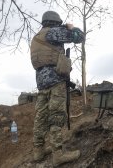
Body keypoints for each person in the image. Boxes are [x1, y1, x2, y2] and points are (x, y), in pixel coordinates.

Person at [30, 10, 84, 166]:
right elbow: (79, 37)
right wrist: (71, 27)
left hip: (41, 82)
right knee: (56, 115)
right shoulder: (53, 32)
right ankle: (58, 154)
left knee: (41, 115)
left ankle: (38, 151)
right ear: (55, 22)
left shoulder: (36, 37)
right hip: (56, 79)